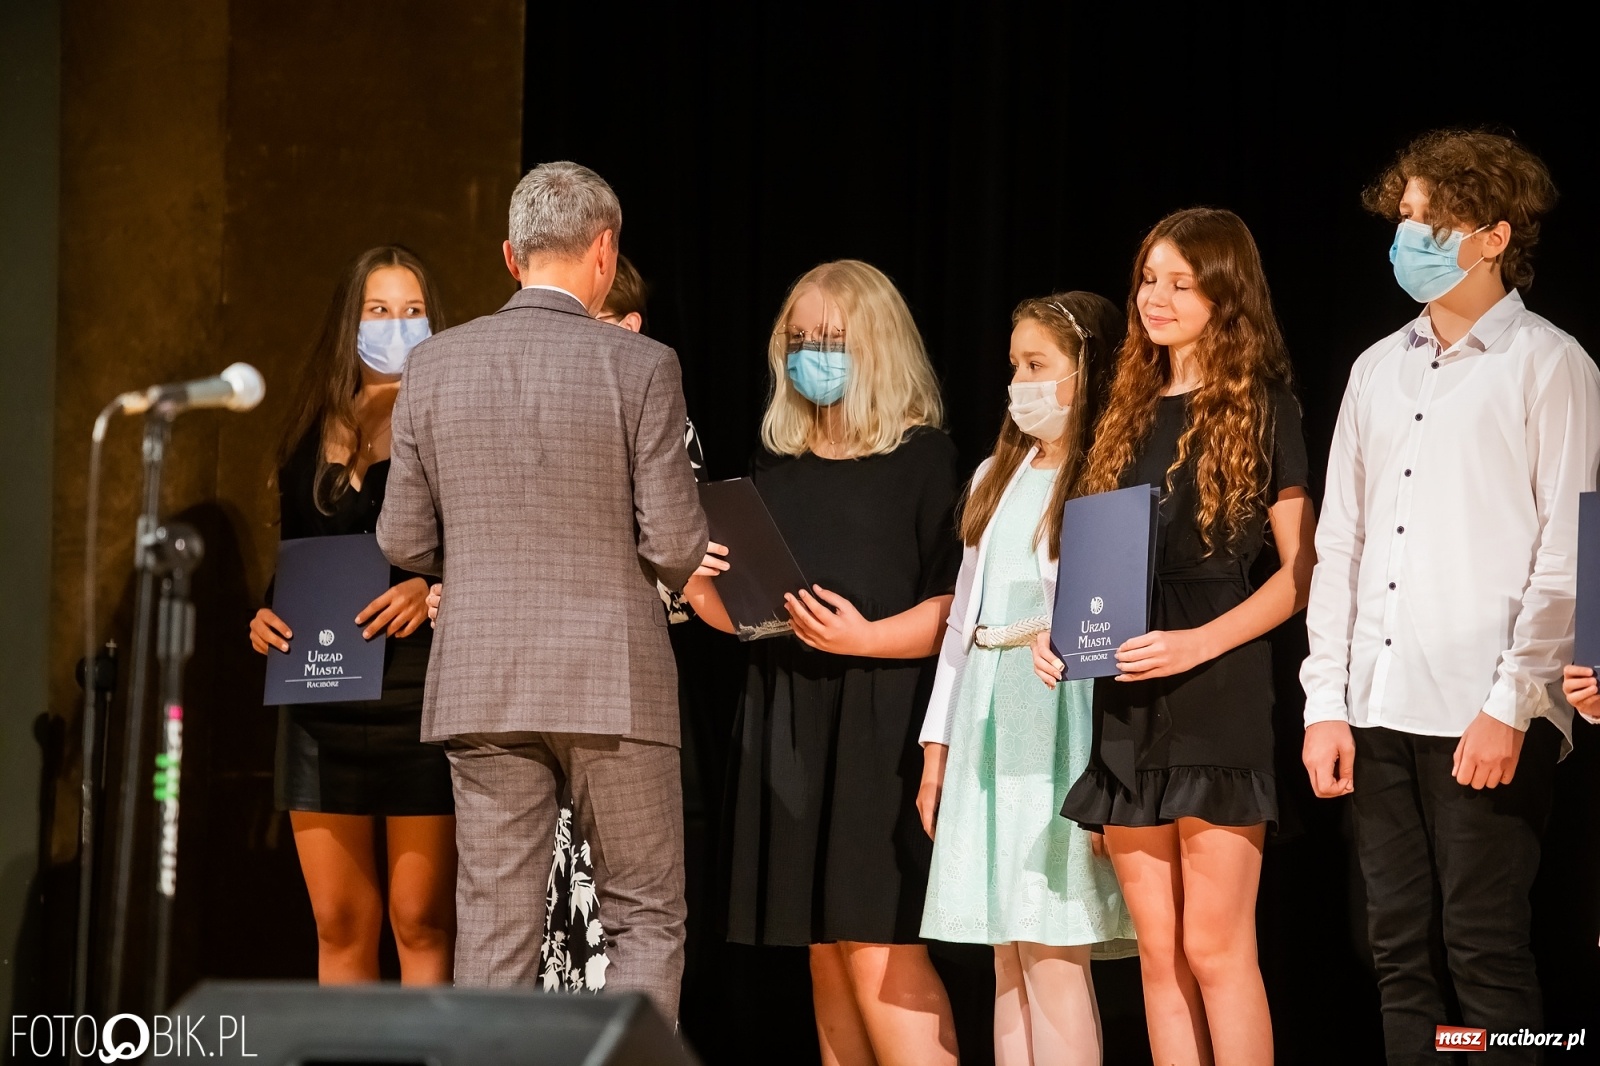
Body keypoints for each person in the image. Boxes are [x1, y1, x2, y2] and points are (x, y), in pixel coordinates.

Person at [376, 161, 709, 1023]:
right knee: (642, 913)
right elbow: (676, 541)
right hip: (614, 683)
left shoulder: (433, 366)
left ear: (511, 257)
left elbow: (403, 542)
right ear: (606, 252)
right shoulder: (641, 365)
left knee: (492, 928)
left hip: (481, 679)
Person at [1300, 129, 1599, 1064]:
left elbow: (1566, 552)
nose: (1410, 236)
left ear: (1495, 236)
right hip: (1378, 705)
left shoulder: (1552, 364)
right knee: (1394, 954)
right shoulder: (1374, 369)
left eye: (1433, 221)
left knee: (1486, 955)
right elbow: (1340, 544)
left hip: (1485, 709)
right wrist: (1325, 702)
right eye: (1405, 220)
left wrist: (1511, 705)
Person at [1045, 209, 1317, 1066]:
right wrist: (1061, 639)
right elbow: (1095, 561)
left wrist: (1200, 646)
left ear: (1224, 293)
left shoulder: (1266, 407)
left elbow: (1302, 574)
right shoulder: (1119, 412)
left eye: (1179, 281)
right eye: (1148, 278)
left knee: (1215, 948)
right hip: (1125, 692)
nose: (1155, 297)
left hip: (1217, 684)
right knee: (1157, 958)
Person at [684, 259, 960, 1066]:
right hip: (790, 722)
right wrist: (700, 585)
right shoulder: (777, 466)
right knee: (825, 953)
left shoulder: (926, 460)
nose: (812, 354)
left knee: (879, 948)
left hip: (881, 726)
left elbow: (957, 611)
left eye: (831, 339)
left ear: (876, 344)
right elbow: (750, 615)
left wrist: (867, 638)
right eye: (798, 338)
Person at [917, 291, 1137, 1065]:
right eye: (1015, 366)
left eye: (1038, 365)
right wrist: (936, 746)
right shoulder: (996, 472)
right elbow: (960, 623)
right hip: (988, 713)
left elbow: (1111, 629)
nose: (1020, 383)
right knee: (1007, 949)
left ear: (1089, 370)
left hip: (1057, 719)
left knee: (1050, 947)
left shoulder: (1107, 476)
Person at [246, 245, 456, 984]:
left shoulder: (450, 422)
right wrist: (265, 617)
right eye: (378, 310)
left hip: (417, 695)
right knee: (339, 922)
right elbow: (300, 556)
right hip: (317, 698)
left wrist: (432, 590)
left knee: (419, 920)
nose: (396, 325)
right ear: (351, 322)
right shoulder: (311, 428)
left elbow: (491, 547)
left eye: (411, 310)